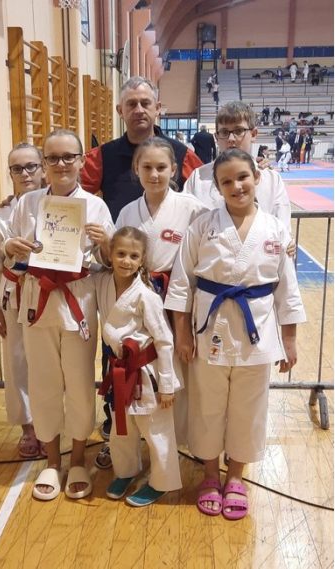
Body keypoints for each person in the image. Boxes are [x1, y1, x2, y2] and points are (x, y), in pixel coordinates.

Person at [166, 149, 306, 521]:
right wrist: (182, 334)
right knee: (207, 404)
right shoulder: (202, 226)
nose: (236, 186)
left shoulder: (275, 229)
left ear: (257, 178)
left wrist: (289, 339)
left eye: (243, 177)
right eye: (226, 181)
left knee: (249, 407)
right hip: (209, 327)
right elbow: (181, 283)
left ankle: (236, 477)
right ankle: (211, 475)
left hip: (258, 330)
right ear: (217, 187)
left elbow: (287, 288)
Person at [2, 129, 116, 501]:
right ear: (44, 163)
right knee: (43, 383)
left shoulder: (96, 207)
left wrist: (105, 243)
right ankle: (52, 460)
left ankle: (78, 459)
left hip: (78, 300)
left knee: (80, 383)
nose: (61, 164)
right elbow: (11, 256)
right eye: (53, 158)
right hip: (37, 300)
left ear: (82, 161)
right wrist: (10, 246)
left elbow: (109, 261)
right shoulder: (27, 202)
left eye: (69, 157)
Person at [116, 137, 209, 448]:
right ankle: (155, 441)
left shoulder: (192, 208)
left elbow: (218, 237)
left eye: (161, 167)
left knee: (184, 367)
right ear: (136, 169)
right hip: (141, 298)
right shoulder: (128, 212)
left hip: (181, 298)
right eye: (147, 167)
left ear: (173, 170)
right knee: (149, 368)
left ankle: (186, 439)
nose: (154, 174)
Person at [96, 226, 183, 507]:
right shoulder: (103, 284)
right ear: (110, 254)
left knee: (155, 429)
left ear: (142, 260)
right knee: (121, 427)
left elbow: (165, 340)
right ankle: (126, 470)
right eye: (121, 254)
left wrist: (167, 386)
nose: (126, 261)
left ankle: (161, 482)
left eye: (134, 256)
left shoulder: (147, 296)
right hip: (118, 369)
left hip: (147, 373)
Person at [0, 143, 47, 459]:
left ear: (43, 167)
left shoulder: (59, 206)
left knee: (49, 364)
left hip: (50, 295)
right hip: (14, 296)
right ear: (10, 174)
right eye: (17, 168)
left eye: (31, 166)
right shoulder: (2, 215)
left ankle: (50, 424)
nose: (25, 173)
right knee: (17, 363)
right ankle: (28, 427)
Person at [80, 76, 201, 222]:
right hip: (119, 235)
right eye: (131, 104)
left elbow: (205, 198)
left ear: (157, 108)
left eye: (145, 103)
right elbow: (73, 194)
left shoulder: (183, 155)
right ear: (120, 110)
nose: (139, 110)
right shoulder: (102, 156)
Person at [184, 102, 293, 249]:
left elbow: (284, 236)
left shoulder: (272, 180)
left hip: (260, 260)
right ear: (217, 137)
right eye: (224, 132)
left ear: (253, 134)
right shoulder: (198, 178)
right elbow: (185, 230)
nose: (231, 138)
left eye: (239, 131)